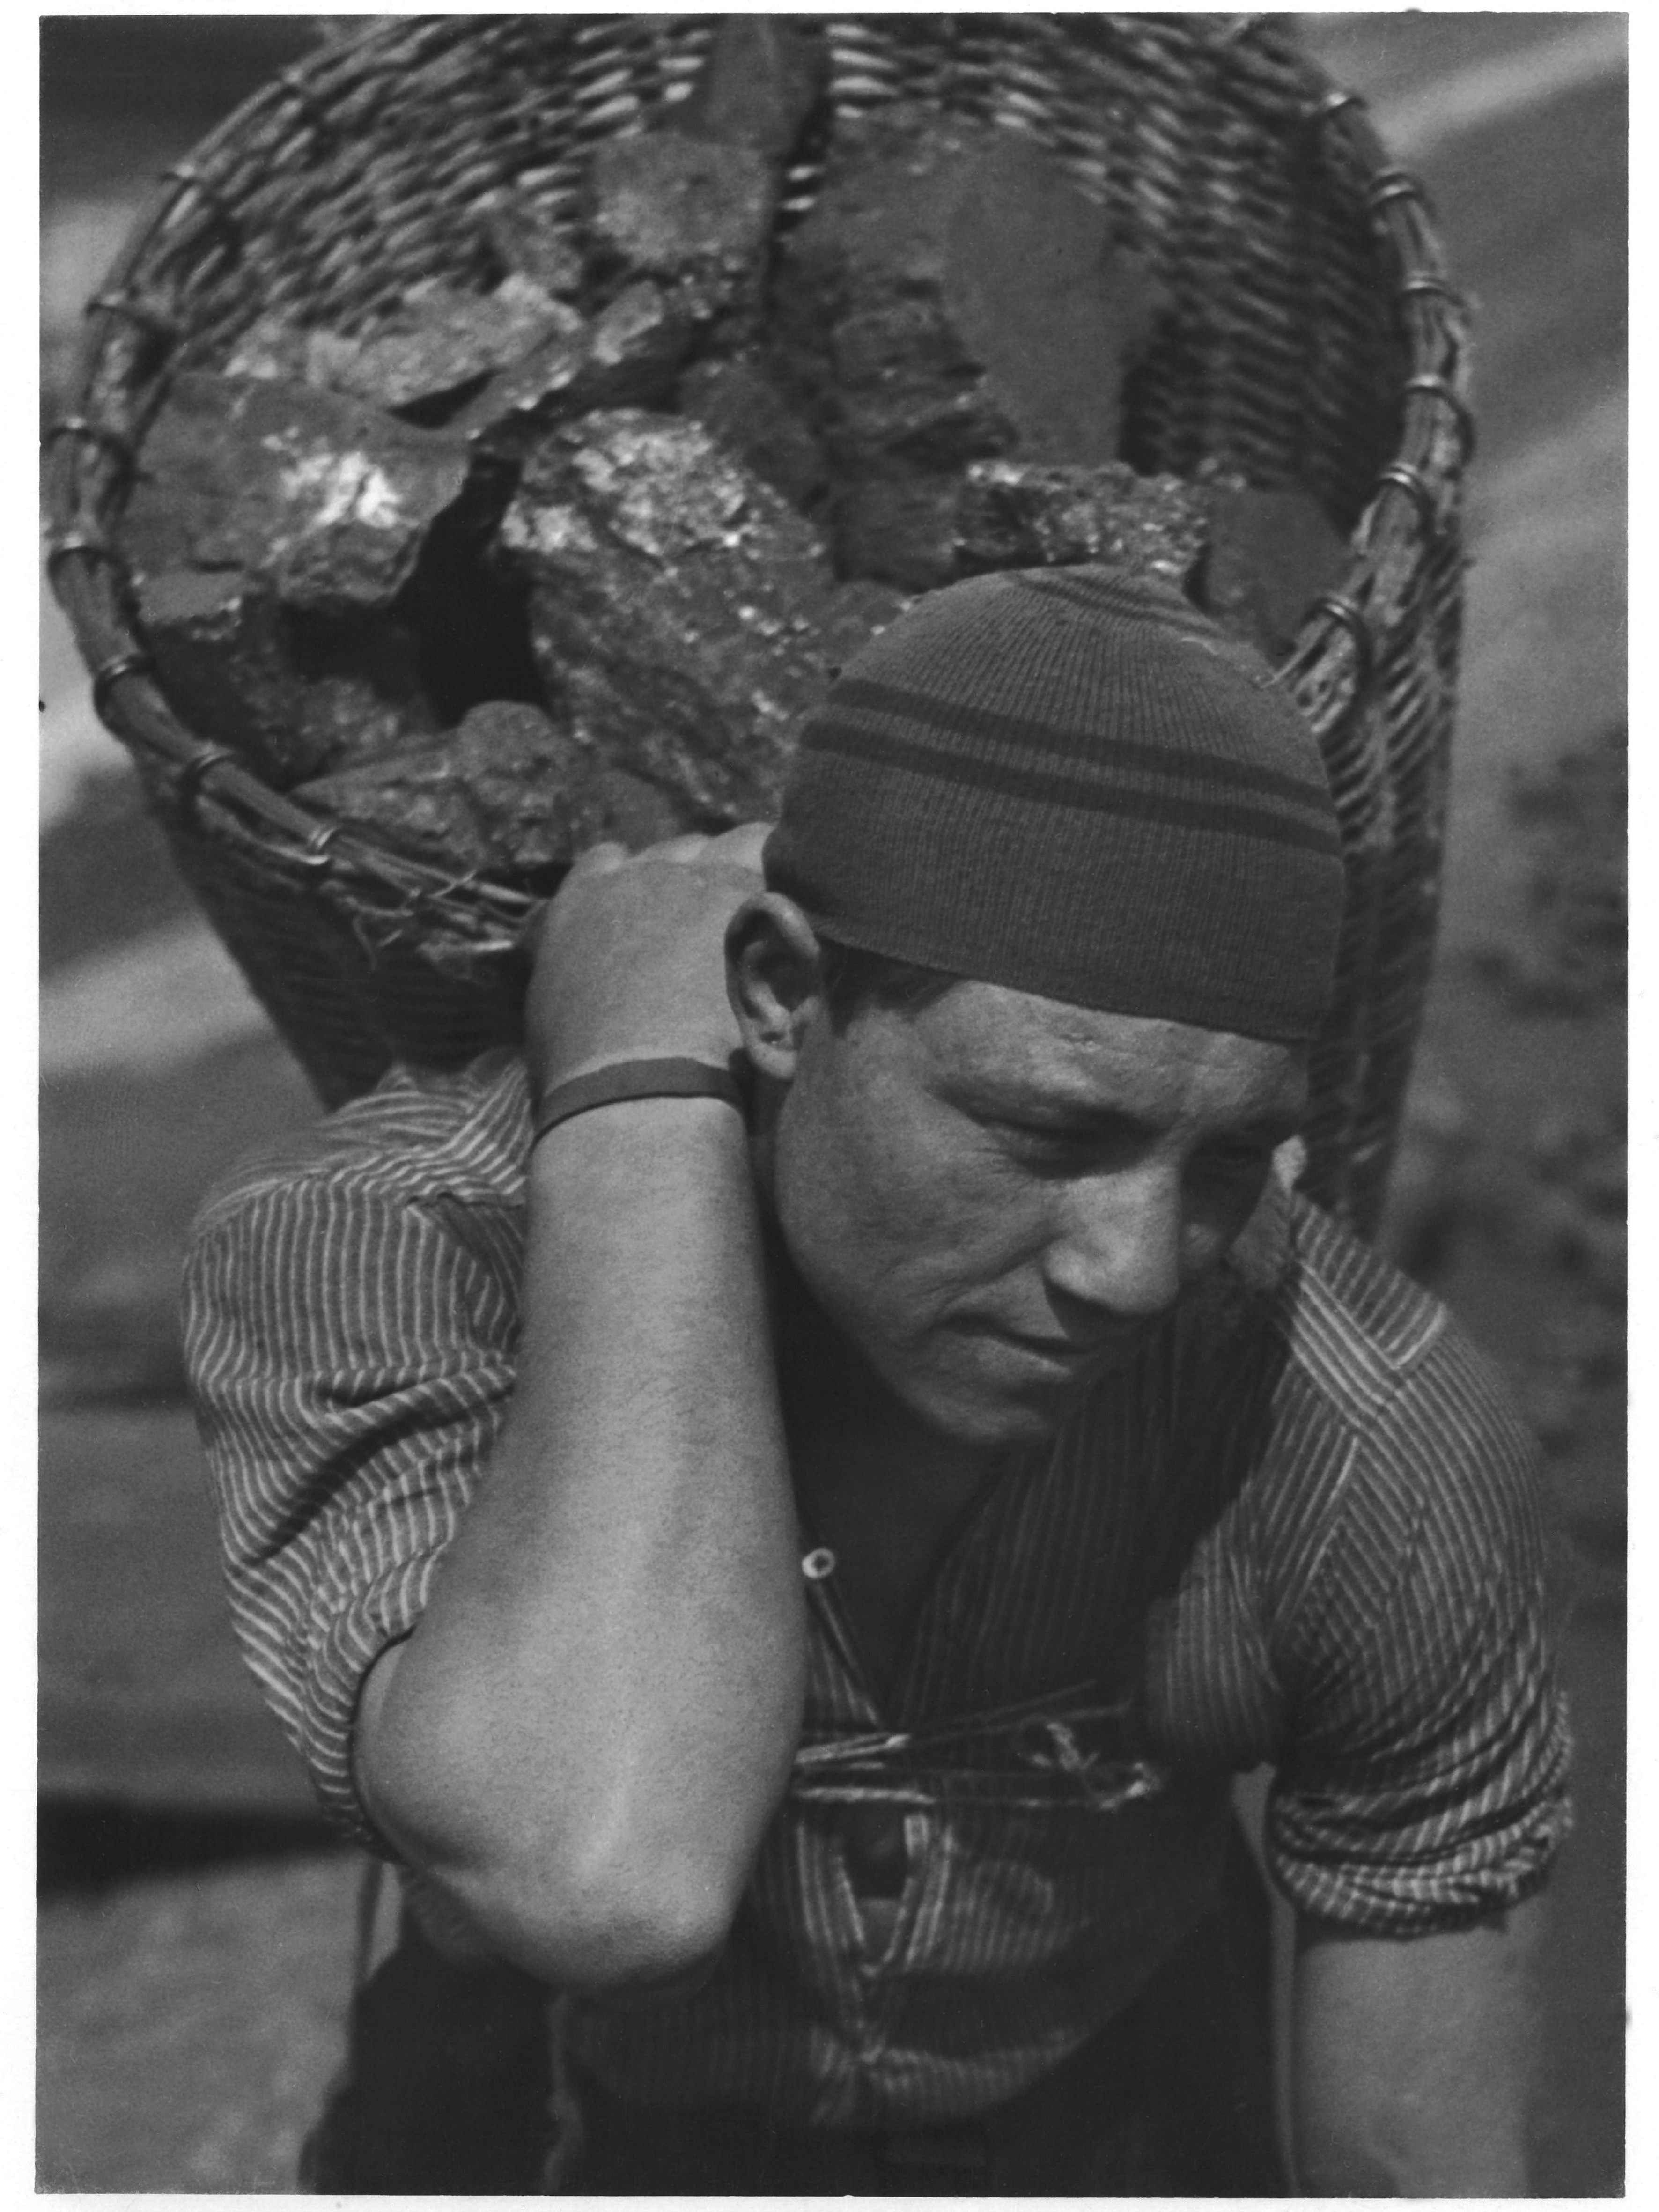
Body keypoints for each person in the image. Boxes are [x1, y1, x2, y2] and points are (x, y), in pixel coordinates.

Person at [184, 565, 1570, 2195]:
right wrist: (639, 1092)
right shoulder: (387, 1250)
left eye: (1225, 1161)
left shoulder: (1361, 1427)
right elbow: (596, 1872)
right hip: (570, 2104)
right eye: (1046, 1134)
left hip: (1110, 2095)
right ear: (778, 995)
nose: (1130, 1266)